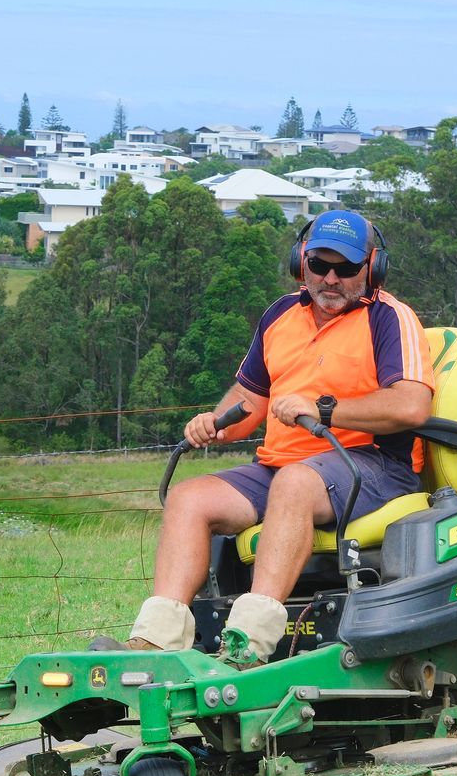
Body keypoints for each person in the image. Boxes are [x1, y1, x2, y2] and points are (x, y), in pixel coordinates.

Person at [121, 208, 434, 662]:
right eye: (319, 265)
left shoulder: (390, 318)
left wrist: (324, 410)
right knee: (190, 499)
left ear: (373, 269)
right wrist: (214, 422)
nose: (331, 278)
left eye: (346, 268)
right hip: (283, 467)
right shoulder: (280, 314)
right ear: (299, 262)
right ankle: (155, 642)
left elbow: (411, 406)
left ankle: (248, 643)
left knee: (295, 483)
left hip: (373, 463)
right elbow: (250, 403)